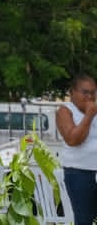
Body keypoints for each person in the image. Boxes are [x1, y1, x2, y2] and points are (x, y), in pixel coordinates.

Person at [56, 73, 97, 225]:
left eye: (93, 92)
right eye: (85, 92)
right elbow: (73, 140)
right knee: (84, 220)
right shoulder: (65, 111)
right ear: (72, 92)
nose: (90, 97)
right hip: (79, 174)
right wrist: (89, 115)